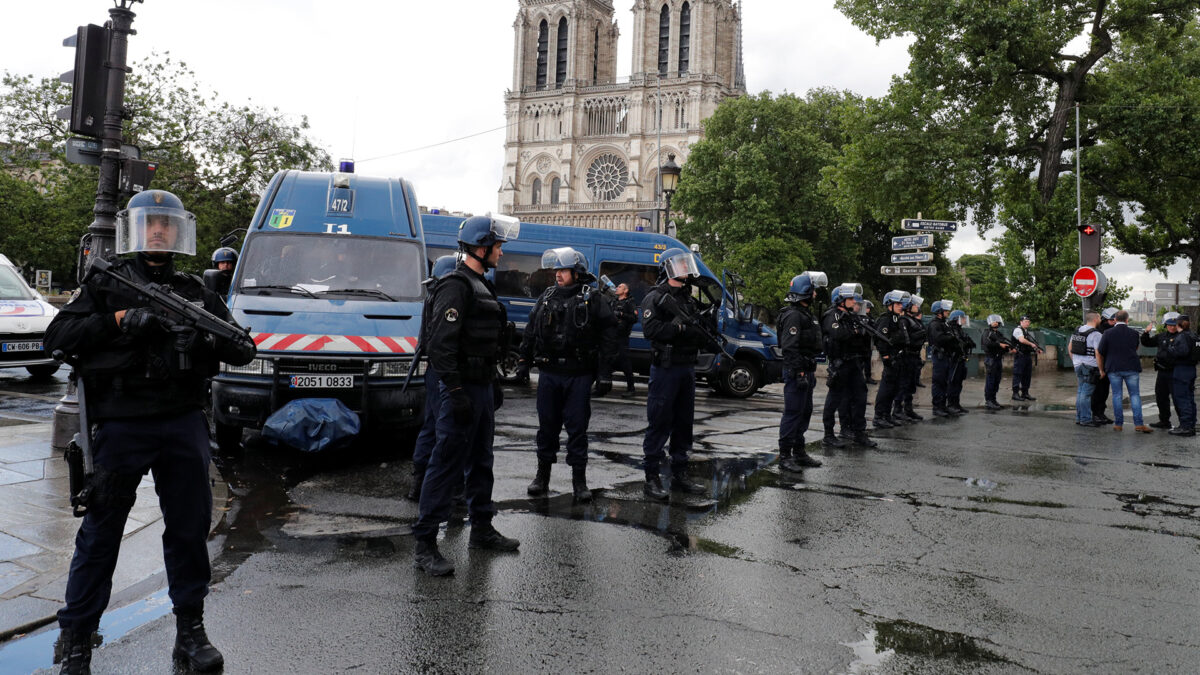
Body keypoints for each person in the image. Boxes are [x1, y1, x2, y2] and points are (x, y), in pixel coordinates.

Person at [44, 190, 257, 674]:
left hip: (182, 421)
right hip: (121, 424)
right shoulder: (108, 283)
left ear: (178, 230)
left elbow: (243, 348)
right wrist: (120, 320)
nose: (158, 231)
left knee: (187, 529)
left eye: (166, 223)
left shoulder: (197, 293)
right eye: (150, 223)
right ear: (135, 230)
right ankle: (77, 641)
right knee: (100, 534)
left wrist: (202, 335)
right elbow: (58, 338)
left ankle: (190, 631)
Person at [414, 214, 523, 577]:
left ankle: (482, 529)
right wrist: (457, 392)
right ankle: (426, 544)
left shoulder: (480, 285)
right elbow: (441, 347)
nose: (502, 253)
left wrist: (490, 384)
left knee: (481, 462)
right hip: (458, 389)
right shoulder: (456, 285)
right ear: (481, 248)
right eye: (498, 246)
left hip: (480, 387)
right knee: (445, 464)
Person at [519, 247, 617, 501]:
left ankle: (579, 482)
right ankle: (542, 477)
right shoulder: (547, 296)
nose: (557, 274)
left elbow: (609, 339)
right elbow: (531, 330)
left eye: (563, 270)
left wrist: (605, 374)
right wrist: (523, 361)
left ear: (577, 272)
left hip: (578, 374)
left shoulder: (593, 299)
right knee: (547, 427)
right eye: (557, 270)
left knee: (577, 429)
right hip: (550, 373)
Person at [639, 248, 716, 500]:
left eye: (686, 264)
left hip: (686, 368)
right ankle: (651, 478)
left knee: (684, 424)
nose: (685, 269)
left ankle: (679, 475)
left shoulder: (688, 299)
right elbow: (651, 329)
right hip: (665, 369)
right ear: (668, 268)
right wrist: (680, 329)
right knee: (660, 422)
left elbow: (700, 329)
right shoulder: (656, 297)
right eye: (679, 265)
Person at [406, 254, 460, 503]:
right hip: (444, 371)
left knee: (430, 427)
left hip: (433, 370)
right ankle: (445, 488)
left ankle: (419, 483)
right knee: (445, 429)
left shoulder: (433, 294)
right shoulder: (447, 297)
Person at [776, 271, 827, 471]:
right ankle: (785, 456)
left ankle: (799, 451)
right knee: (793, 413)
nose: (815, 294)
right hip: (797, 371)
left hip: (807, 369)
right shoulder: (793, 316)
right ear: (805, 291)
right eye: (813, 291)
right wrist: (799, 372)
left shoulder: (807, 315)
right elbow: (789, 348)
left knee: (804, 412)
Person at [822, 283, 876, 448]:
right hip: (840, 363)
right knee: (835, 398)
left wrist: (857, 333)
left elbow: (863, 338)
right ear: (840, 300)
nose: (854, 302)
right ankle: (829, 435)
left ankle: (859, 433)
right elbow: (839, 334)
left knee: (860, 396)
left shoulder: (852, 317)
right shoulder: (832, 315)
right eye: (850, 298)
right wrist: (855, 333)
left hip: (853, 362)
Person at [1096, 310, 1152, 433]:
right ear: (1127, 320)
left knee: (1117, 395)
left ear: (1115, 319)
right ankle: (1138, 424)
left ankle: (1118, 424)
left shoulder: (1107, 333)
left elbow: (1100, 351)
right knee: (1135, 395)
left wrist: (1102, 368)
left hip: (1114, 368)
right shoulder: (1134, 333)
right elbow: (1136, 347)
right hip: (1131, 367)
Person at [871, 290, 909, 429]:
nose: (901, 306)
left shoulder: (897, 319)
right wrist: (886, 357)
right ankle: (879, 416)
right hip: (891, 359)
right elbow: (880, 340)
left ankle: (887, 415)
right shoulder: (885, 319)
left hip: (899, 358)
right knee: (886, 389)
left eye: (901, 303)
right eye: (897, 303)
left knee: (894, 389)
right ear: (889, 305)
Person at [1142, 313, 1180, 429]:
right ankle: (1164, 421)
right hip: (1162, 372)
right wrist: (1146, 333)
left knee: (1178, 398)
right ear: (1165, 325)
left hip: (1176, 372)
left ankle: (1184, 423)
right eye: (1169, 325)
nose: (1172, 327)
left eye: (1174, 325)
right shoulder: (1161, 336)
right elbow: (1147, 343)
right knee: (1161, 397)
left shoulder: (1182, 337)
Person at [1069, 312, 1104, 427]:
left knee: (1080, 392)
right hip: (1090, 366)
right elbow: (1098, 353)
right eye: (1099, 318)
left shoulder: (1077, 331)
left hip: (1078, 365)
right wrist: (1101, 369)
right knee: (1086, 394)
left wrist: (1074, 361)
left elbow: (1070, 347)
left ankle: (1079, 418)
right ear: (1095, 319)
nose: (1100, 320)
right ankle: (1085, 419)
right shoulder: (1096, 334)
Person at [895, 295, 926, 421]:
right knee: (904, 383)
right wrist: (920, 334)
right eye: (914, 305)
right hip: (907, 356)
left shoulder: (914, 320)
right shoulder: (904, 320)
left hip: (914, 355)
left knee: (911, 384)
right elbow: (906, 339)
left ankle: (908, 409)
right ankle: (897, 410)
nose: (916, 307)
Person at [1167, 313, 1198, 436]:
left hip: (1182, 369)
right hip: (1191, 368)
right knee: (1189, 398)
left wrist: (1171, 348)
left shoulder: (1182, 337)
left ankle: (1185, 427)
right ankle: (1191, 424)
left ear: (1178, 324)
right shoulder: (1194, 335)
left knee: (1182, 398)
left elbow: (1182, 352)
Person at [927, 300, 959, 417]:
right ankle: (937, 407)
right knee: (938, 382)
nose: (947, 312)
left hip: (945, 356)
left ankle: (943, 405)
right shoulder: (935, 324)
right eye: (945, 310)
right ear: (939, 312)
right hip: (939, 356)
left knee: (944, 382)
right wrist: (950, 337)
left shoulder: (943, 323)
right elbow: (939, 338)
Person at [1090, 308, 1119, 422]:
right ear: (1105, 319)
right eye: (1112, 320)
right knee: (1097, 391)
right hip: (1098, 364)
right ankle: (1095, 414)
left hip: (1108, 364)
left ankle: (1101, 413)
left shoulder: (1111, 330)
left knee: (1104, 391)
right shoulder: (1098, 331)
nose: (1115, 323)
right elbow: (1098, 351)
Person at [980, 314, 1013, 410]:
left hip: (998, 359)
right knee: (990, 380)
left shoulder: (998, 334)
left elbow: (1004, 344)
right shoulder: (987, 332)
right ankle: (989, 401)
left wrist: (1008, 348)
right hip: (991, 359)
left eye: (997, 321)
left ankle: (993, 399)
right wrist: (999, 344)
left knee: (996, 380)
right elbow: (987, 343)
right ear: (990, 322)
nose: (996, 323)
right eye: (994, 321)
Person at [945, 309, 975, 414]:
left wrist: (968, 343)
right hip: (954, 360)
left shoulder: (960, 330)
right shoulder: (951, 329)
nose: (963, 320)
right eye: (962, 318)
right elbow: (955, 344)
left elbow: (969, 342)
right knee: (953, 382)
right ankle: (950, 404)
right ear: (956, 319)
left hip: (961, 359)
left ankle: (956, 404)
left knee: (959, 383)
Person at [612, 282, 638, 397]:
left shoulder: (629, 302)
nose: (617, 288)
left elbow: (634, 318)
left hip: (622, 338)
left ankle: (631, 389)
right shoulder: (614, 301)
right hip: (612, 336)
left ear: (626, 291)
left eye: (620, 287)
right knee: (604, 361)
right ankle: (600, 387)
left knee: (625, 364)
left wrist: (621, 314)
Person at [1010, 315, 1044, 401]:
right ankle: (1015, 393)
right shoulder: (1018, 330)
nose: (1027, 323)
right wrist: (1032, 344)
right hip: (1020, 355)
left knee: (1027, 375)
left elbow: (1029, 342)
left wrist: (1036, 349)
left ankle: (1025, 393)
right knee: (1018, 374)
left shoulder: (1026, 331)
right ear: (1021, 322)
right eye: (1025, 321)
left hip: (1026, 355)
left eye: (1028, 321)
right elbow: (1022, 340)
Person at [861, 299, 878, 384]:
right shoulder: (859, 317)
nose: (869, 309)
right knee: (860, 362)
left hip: (868, 343)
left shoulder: (870, 318)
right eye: (867, 308)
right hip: (860, 344)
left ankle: (868, 377)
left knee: (867, 361)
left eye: (869, 308)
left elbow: (874, 328)